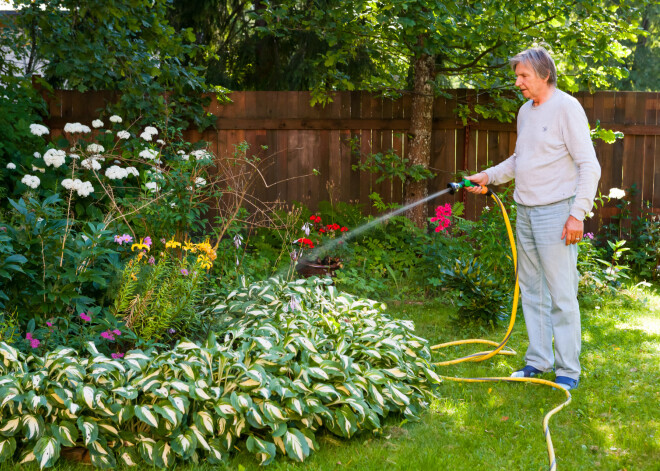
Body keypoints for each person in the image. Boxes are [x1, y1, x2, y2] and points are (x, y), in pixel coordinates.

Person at [465, 46, 601, 391]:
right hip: (524, 211)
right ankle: (538, 360)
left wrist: (577, 214)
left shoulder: (567, 108)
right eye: (516, 75)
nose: (518, 82)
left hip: (557, 213)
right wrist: (489, 176)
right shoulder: (525, 111)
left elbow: (590, 165)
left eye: (523, 75)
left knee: (561, 294)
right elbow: (519, 160)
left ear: (544, 75)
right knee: (532, 291)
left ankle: (568, 369)